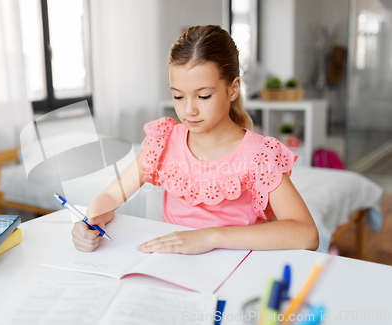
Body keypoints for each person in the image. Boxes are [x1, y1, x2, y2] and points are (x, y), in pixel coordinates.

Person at [72, 25, 319, 254]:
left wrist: (210, 238)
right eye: (178, 97)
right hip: (169, 262)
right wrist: (92, 219)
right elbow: (110, 196)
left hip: (233, 267)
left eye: (203, 96)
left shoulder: (260, 155)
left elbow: (306, 234)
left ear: (233, 89)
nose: (189, 110)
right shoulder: (165, 140)